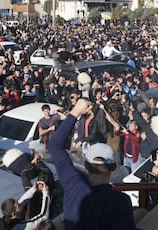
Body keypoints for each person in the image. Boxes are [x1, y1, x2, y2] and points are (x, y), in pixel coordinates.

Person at [49, 98, 136, 230]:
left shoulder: (72, 182)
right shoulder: (120, 201)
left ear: (86, 164)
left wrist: (75, 112)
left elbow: (55, 145)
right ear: (114, 167)